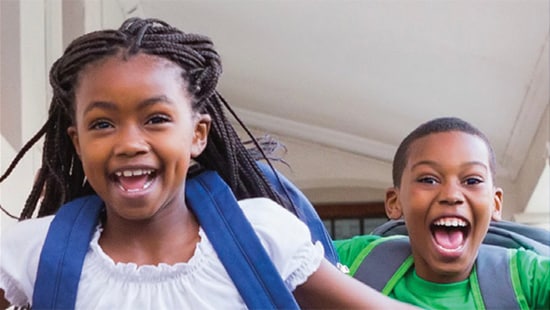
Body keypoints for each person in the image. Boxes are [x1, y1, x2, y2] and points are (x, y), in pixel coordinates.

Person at [0, 17, 416, 309]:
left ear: (198, 135)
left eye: (156, 119)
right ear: (76, 142)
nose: (128, 142)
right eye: (103, 123)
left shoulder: (260, 237)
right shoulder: (34, 253)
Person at [334, 117, 550, 309]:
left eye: (472, 181)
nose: (451, 195)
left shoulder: (527, 279)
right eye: (429, 180)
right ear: (394, 201)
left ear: (495, 203)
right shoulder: (355, 260)